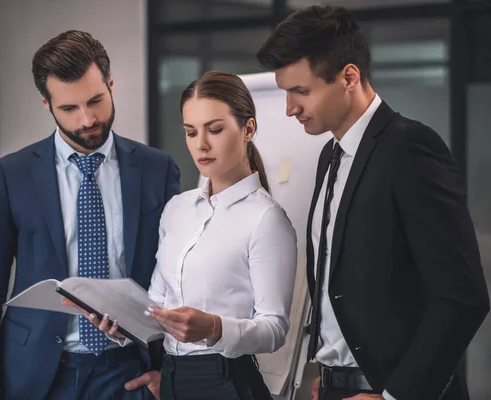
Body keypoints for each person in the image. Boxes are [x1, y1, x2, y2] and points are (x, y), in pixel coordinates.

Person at [256, 5, 490, 400]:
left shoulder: (410, 148)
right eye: (285, 92)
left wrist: (394, 396)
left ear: (349, 76)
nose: (289, 108)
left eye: (301, 91)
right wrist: (333, 372)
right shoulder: (329, 157)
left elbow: (462, 297)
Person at [0, 30, 180, 400]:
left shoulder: (158, 170)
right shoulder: (10, 176)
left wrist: (168, 372)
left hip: (132, 373)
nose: (87, 119)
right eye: (69, 108)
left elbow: (178, 281)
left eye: (96, 100)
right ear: (47, 104)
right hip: (37, 377)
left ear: (111, 83)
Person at [78, 71, 297, 400]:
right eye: (191, 132)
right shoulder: (177, 209)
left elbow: (275, 329)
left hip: (228, 382)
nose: (201, 144)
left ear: (248, 128)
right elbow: (157, 308)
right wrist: (119, 324)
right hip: (173, 379)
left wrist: (214, 327)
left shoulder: (266, 219)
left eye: (215, 129)